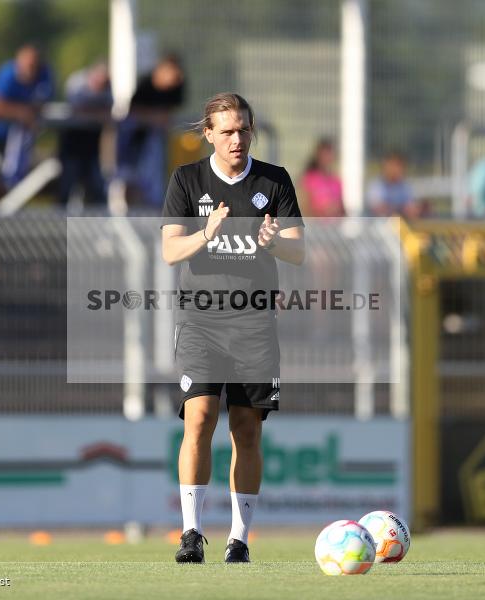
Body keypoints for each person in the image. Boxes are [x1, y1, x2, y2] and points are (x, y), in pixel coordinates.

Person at [161, 93, 304, 563]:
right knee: (198, 418)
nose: (236, 139)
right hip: (200, 321)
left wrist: (273, 242)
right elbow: (169, 252)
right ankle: (190, 533)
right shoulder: (187, 180)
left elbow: (298, 249)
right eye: (226, 131)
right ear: (208, 134)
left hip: (255, 323)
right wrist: (206, 233)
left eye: (242, 129)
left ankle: (239, 538)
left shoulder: (274, 180)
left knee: (246, 428)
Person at [0, 45, 54, 188]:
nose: (31, 69)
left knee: (12, 176)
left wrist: (30, 114)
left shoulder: (43, 74)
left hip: (16, 136)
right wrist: (22, 113)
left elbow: (42, 103)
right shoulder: (8, 74)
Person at [117, 54, 186, 208]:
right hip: (135, 140)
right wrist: (153, 117)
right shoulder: (146, 84)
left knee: (154, 181)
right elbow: (134, 112)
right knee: (131, 178)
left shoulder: (177, 85)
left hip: (157, 140)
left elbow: (171, 111)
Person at [57, 62, 113, 208]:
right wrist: (95, 114)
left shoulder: (107, 86)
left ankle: (95, 228)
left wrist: (91, 113)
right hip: (71, 146)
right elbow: (76, 110)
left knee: (96, 190)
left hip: (92, 147)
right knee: (66, 188)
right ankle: (59, 228)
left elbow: (107, 114)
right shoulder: (76, 83)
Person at [367, 152, 429, 218]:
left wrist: (419, 208)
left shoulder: (405, 186)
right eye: (393, 165)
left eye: (400, 166)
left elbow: (411, 207)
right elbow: (379, 209)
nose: (397, 169)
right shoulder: (376, 186)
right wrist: (402, 209)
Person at [299, 139, 345, 218]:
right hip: (316, 226)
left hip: (333, 226)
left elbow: (342, 208)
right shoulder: (309, 178)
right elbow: (304, 207)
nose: (328, 157)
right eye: (325, 154)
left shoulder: (336, 180)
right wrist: (323, 212)